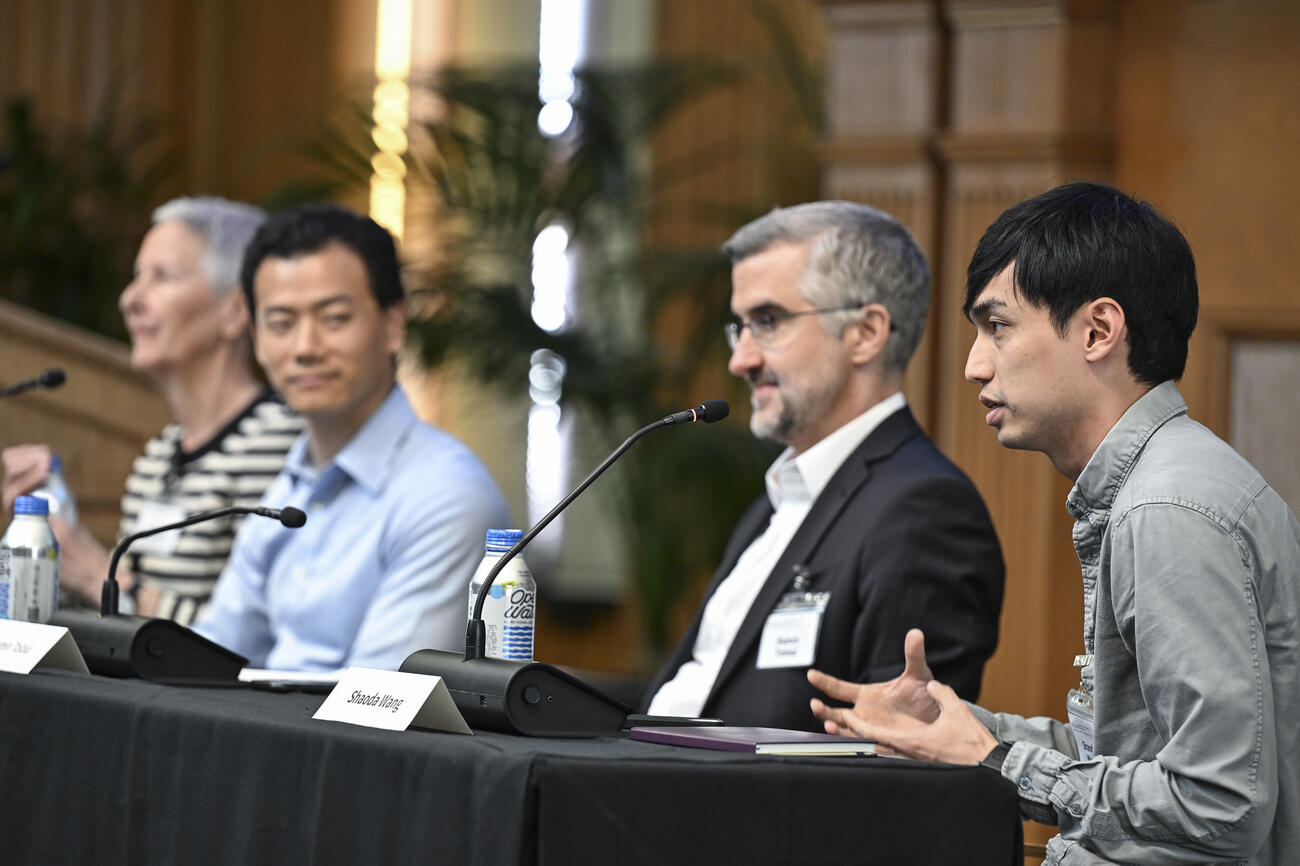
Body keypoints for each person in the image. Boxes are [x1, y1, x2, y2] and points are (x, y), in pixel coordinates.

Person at [809, 182, 1300, 865]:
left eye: (998, 326)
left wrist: (994, 761)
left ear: (1098, 330)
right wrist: (959, 731)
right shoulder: (1157, 487)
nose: (973, 363)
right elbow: (1125, 757)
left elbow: (1219, 804)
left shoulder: (1167, 510)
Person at [643, 201, 1005, 731]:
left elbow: (896, 762)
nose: (739, 360)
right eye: (738, 327)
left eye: (767, 322)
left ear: (865, 333)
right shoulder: (775, 503)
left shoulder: (925, 511)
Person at [193, 204, 508, 671]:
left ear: (394, 325)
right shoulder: (286, 489)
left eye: (334, 318)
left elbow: (371, 708)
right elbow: (208, 660)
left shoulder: (446, 496)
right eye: (281, 324)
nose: (304, 349)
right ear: (257, 340)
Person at [1, 197, 302, 623]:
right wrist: (48, 547)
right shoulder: (158, 454)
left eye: (162, 277)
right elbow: (126, 624)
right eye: (136, 277)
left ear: (235, 311)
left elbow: (255, 643)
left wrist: (94, 572)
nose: (130, 299)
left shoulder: (281, 446)